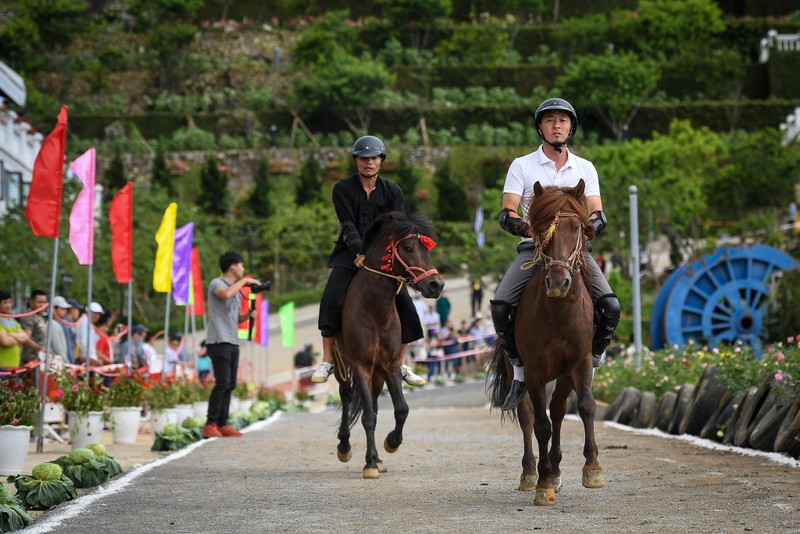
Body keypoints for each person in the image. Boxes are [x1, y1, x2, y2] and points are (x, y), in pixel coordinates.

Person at [490, 97, 620, 411]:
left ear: (571, 127)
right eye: (550, 120)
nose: (557, 125)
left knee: (611, 306)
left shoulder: (585, 168)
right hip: (534, 250)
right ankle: (519, 370)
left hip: (574, 251)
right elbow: (507, 212)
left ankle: (593, 357)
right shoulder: (522, 165)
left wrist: (585, 232)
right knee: (501, 305)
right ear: (541, 127)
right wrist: (530, 230)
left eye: (563, 120)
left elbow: (597, 214)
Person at [312, 135, 426, 387]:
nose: (369, 162)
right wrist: (357, 252)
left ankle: (403, 363)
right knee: (331, 295)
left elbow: (393, 227)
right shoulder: (342, 189)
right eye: (364, 158)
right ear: (356, 161)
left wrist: (376, 254)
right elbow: (347, 224)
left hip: (383, 254)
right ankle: (328, 358)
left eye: (374, 158)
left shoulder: (393, 191)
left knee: (405, 302)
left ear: (381, 161)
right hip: (348, 251)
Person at [203, 250, 261, 439]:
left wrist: (246, 316)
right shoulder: (217, 283)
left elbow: (232, 317)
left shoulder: (234, 289)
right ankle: (210, 423)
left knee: (230, 384)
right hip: (218, 340)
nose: (243, 269)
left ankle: (222, 423)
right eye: (242, 265)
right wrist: (244, 282)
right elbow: (226, 294)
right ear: (233, 267)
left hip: (232, 340)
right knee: (222, 383)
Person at [0, 289, 29, 368]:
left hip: (14, 366)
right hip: (2, 368)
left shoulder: (11, 320)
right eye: (5, 302)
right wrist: (19, 339)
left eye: (10, 302)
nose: (8, 305)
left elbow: (25, 337)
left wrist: (10, 334)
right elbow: (5, 342)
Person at [18, 290, 49, 364]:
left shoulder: (39, 316)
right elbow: (25, 338)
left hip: (38, 358)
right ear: (31, 302)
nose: (42, 305)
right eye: (39, 302)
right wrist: (39, 348)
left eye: (44, 302)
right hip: (29, 360)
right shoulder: (28, 317)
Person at [48, 296, 70, 361]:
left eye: (66, 309)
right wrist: (66, 362)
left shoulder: (57, 324)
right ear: (54, 309)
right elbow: (57, 347)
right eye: (62, 309)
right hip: (55, 362)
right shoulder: (52, 324)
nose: (65, 311)